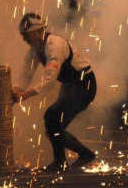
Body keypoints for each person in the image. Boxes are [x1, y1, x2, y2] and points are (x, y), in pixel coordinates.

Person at [12, 13, 97, 172]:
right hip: (70, 86)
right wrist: (17, 89)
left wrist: (24, 96)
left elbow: (49, 80)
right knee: (53, 126)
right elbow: (26, 72)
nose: (24, 39)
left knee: (52, 119)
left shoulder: (54, 46)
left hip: (84, 86)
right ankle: (71, 159)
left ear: (38, 32)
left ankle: (72, 158)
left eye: (27, 35)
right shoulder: (36, 48)